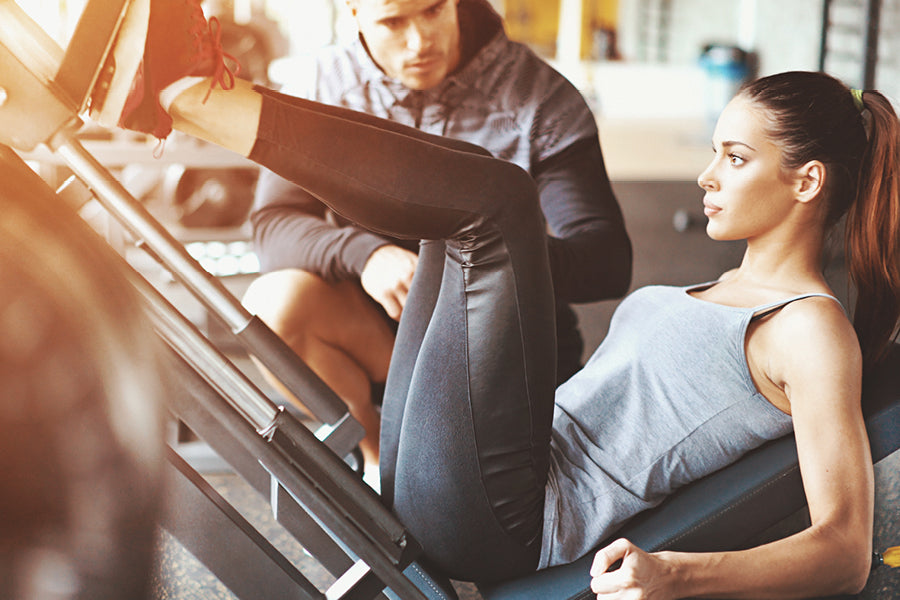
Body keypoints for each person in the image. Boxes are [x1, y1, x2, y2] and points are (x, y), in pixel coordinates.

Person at [97, 3, 900, 596]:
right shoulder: (727, 286)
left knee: (495, 199)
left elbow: (844, 551)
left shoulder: (810, 329)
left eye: (735, 158)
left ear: (806, 182)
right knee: (465, 206)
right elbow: (284, 227)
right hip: (479, 467)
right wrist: (382, 257)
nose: (707, 175)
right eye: (715, 153)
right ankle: (200, 90)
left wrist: (676, 574)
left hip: (514, 516)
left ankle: (191, 97)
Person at [239, 0, 632, 470]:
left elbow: (604, 260)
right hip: (383, 338)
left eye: (432, 10)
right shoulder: (320, 86)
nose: (419, 42)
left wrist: (481, 250)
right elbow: (273, 223)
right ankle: (378, 464)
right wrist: (367, 255)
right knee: (272, 303)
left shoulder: (540, 98)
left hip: (503, 350)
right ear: (354, 10)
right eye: (393, 22)